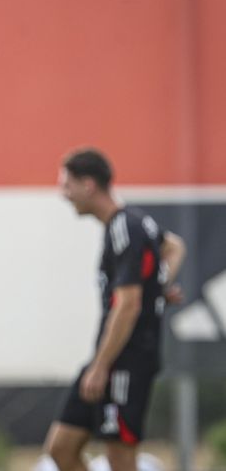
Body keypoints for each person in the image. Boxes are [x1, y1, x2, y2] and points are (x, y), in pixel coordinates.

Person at [45, 148, 186, 471]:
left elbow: (128, 304)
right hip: (108, 354)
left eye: (67, 185)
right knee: (61, 447)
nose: (64, 195)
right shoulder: (130, 224)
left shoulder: (125, 226)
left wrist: (100, 366)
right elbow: (174, 247)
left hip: (127, 357)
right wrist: (159, 287)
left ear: (89, 185)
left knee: (120, 457)